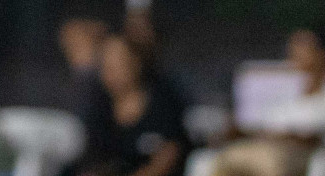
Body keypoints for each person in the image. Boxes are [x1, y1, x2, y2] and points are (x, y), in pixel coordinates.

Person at [69, 33, 189, 176]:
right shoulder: (99, 108)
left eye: (118, 62)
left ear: (136, 62)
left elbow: (169, 156)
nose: (111, 71)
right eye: (105, 64)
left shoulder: (163, 100)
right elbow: (93, 161)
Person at [210, 27, 325, 176]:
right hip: (265, 145)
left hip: (304, 153)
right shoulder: (280, 85)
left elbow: (313, 135)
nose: (295, 53)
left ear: (321, 53)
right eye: (293, 47)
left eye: (303, 47)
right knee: (225, 159)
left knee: (269, 163)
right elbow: (259, 122)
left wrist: (287, 135)